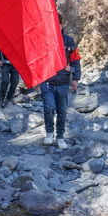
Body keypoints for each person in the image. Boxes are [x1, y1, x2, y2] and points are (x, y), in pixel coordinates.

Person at [39, 15, 80, 150]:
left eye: (57, 24)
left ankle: (60, 136)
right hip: (47, 82)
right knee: (49, 107)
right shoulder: (43, 40)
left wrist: (75, 79)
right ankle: (49, 133)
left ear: (62, 25)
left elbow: (76, 61)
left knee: (62, 111)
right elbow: (36, 60)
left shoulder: (69, 41)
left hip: (63, 83)